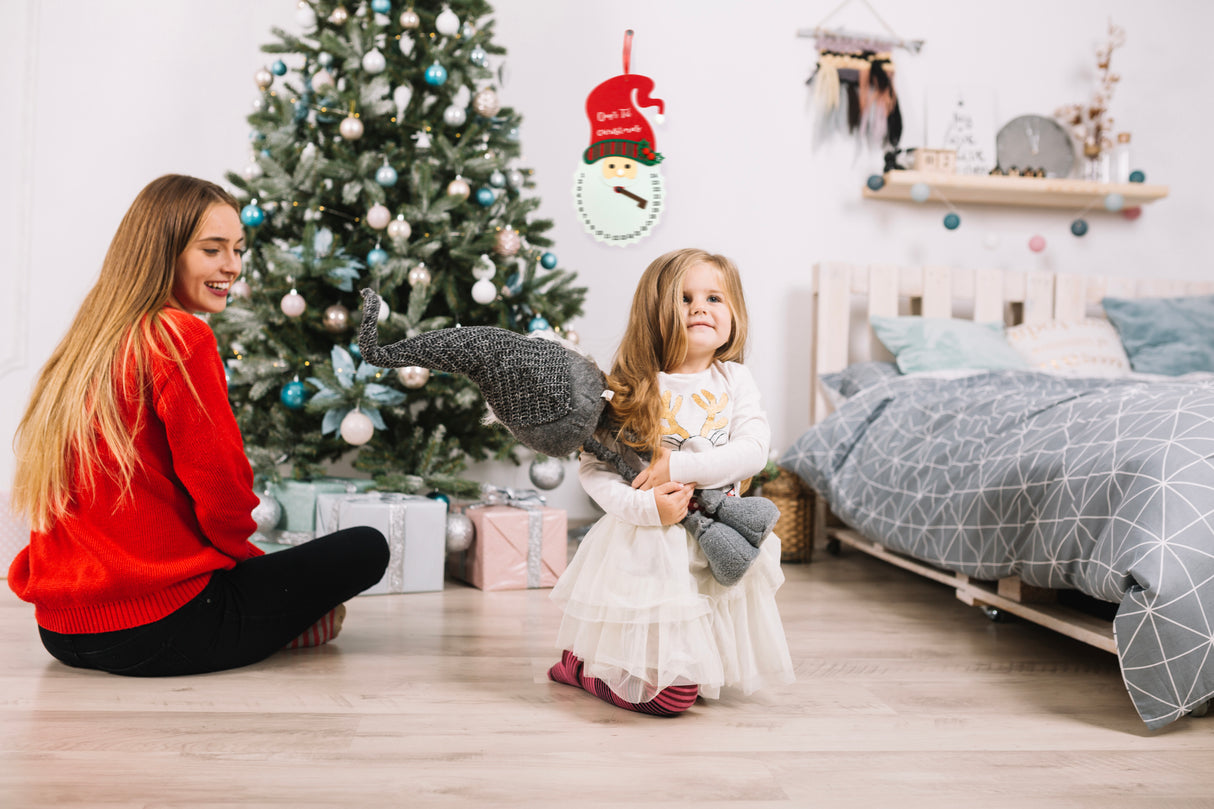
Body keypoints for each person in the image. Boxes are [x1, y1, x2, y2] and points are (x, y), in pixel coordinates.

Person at [8, 174, 389, 676]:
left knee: (271, 568)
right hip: (157, 629)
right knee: (366, 547)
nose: (231, 266)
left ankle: (274, 619)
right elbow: (222, 492)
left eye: (238, 248)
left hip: (59, 630)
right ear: (165, 251)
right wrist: (252, 566)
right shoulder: (181, 337)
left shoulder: (89, 340)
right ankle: (286, 626)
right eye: (212, 250)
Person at [547, 248, 795, 715]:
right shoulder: (627, 386)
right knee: (671, 698)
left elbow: (752, 451)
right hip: (647, 550)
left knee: (702, 676)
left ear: (735, 314)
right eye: (684, 298)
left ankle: (672, 667)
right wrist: (648, 509)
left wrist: (675, 469)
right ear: (653, 314)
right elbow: (596, 470)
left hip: (715, 541)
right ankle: (581, 669)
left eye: (714, 298)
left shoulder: (736, 381)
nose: (700, 307)